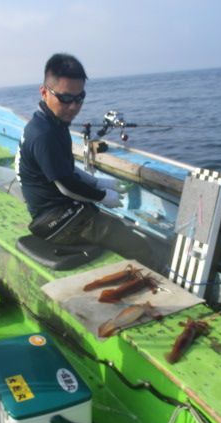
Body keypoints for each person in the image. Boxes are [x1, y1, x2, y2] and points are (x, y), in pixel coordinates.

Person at [15, 53, 156, 268]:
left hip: (63, 209)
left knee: (115, 227)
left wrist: (98, 182)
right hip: (56, 222)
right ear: (44, 92)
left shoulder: (52, 122)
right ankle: (152, 278)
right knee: (137, 245)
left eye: (79, 97)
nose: (73, 106)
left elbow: (66, 170)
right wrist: (103, 196)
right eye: (65, 98)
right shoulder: (44, 135)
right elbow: (67, 186)